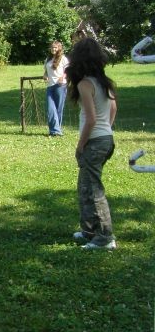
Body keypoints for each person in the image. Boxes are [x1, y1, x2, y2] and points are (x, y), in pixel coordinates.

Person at [65, 38, 117, 250]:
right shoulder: (104, 82)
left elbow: (91, 119)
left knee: (93, 189)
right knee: (85, 186)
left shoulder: (85, 84)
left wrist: (81, 145)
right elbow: (113, 109)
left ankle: (105, 238)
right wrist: (107, 130)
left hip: (94, 142)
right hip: (106, 139)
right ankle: (89, 231)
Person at [43, 40, 69, 136]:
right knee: (50, 108)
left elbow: (68, 70)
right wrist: (45, 75)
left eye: (55, 47)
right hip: (50, 86)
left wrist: (63, 77)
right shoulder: (48, 59)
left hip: (60, 86)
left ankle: (55, 131)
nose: (53, 49)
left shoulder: (63, 59)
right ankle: (55, 130)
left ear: (59, 48)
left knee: (58, 109)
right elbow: (46, 71)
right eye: (52, 47)